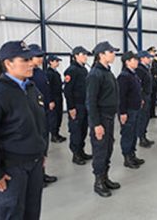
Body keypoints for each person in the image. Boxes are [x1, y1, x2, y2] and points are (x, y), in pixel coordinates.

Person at [0, 41, 46, 219]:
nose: (31, 63)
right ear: (8, 63)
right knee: (11, 213)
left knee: (32, 212)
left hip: (35, 163)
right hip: (12, 169)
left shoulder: (31, 89)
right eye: (24, 60)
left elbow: (39, 123)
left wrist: (42, 151)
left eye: (30, 58)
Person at [86, 41, 121, 197]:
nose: (114, 54)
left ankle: (105, 177)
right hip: (101, 118)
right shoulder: (95, 74)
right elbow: (90, 102)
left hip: (109, 117)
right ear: (101, 55)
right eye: (111, 52)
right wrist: (96, 124)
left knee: (108, 148)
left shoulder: (107, 72)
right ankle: (98, 182)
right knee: (100, 150)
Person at [29, 44, 58, 187]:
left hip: (44, 113)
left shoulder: (40, 72)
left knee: (43, 145)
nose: (41, 59)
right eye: (37, 56)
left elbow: (45, 89)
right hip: (34, 115)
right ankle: (36, 178)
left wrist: (50, 101)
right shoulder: (29, 74)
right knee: (36, 146)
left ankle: (42, 173)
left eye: (41, 56)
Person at [64, 46, 92, 165]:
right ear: (76, 56)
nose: (86, 56)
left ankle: (81, 151)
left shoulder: (84, 70)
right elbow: (67, 91)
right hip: (76, 106)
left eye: (86, 54)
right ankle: (76, 154)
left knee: (83, 130)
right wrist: (71, 107)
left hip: (84, 105)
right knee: (76, 130)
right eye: (83, 54)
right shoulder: (71, 70)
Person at [118, 51, 145, 169]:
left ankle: (132, 154)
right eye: (134, 60)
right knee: (127, 134)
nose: (137, 61)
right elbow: (121, 97)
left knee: (134, 133)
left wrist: (140, 100)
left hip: (135, 108)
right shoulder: (123, 76)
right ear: (127, 62)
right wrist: (122, 112)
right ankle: (127, 157)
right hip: (128, 110)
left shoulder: (133, 74)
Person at [136, 50, 155, 148]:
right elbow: (138, 85)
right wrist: (141, 98)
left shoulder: (146, 68)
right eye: (148, 58)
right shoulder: (139, 69)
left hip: (147, 95)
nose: (150, 59)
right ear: (142, 58)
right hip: (143, 96)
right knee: (142, 118)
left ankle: (144, 135)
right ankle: (141, 138)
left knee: (146, 117)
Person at [46, 54, 66, 143]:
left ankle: (57, 134)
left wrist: (64, 82)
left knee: (59, 116)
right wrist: (50, 100)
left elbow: (56, 85)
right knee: (53, 118)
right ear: (50, 62)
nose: (58, 63)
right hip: (53, 98)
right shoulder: (48, 73)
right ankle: (53, 135)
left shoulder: (55, 73)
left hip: (58, 97)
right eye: (56, 61)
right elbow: (48, 88)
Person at [148, 46, 157, 118]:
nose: (154, 53)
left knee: (153, 98)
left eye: (154, 52)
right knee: (148, 99)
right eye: (152, 52)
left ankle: (152, 113)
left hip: (154, 82)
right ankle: (148, 113)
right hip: (148, 83)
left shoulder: (155, 62)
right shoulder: (146, 61)